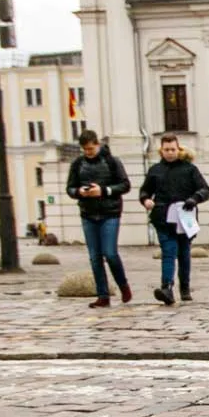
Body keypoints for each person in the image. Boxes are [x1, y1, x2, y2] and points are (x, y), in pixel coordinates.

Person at [139, 132, 209, 305]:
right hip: (163, 218)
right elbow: (145, 191)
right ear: (161, 151)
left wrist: (194, 199)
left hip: (184, 218)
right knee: (169, 252)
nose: (170, 152)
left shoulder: (189, 169)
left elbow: (205, 189)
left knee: (184, 253)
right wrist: (146, 200)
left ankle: (184, 288)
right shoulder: (155, 170)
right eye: (166, 149)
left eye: (173, 149)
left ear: (178, 149)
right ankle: (167, 287)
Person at [65, 129, 131, 307]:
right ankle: (103, 295)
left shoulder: (112, 161)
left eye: (91, 149)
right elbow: (70, 188)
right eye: (85, 149)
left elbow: (125, 185)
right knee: (94, 257)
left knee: (110, 253)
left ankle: (123, 284)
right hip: (88, 213)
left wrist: (103, 190)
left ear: (98, 145)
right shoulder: (78, 164)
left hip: (110, 212)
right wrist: (79, 192)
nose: (88, 152)